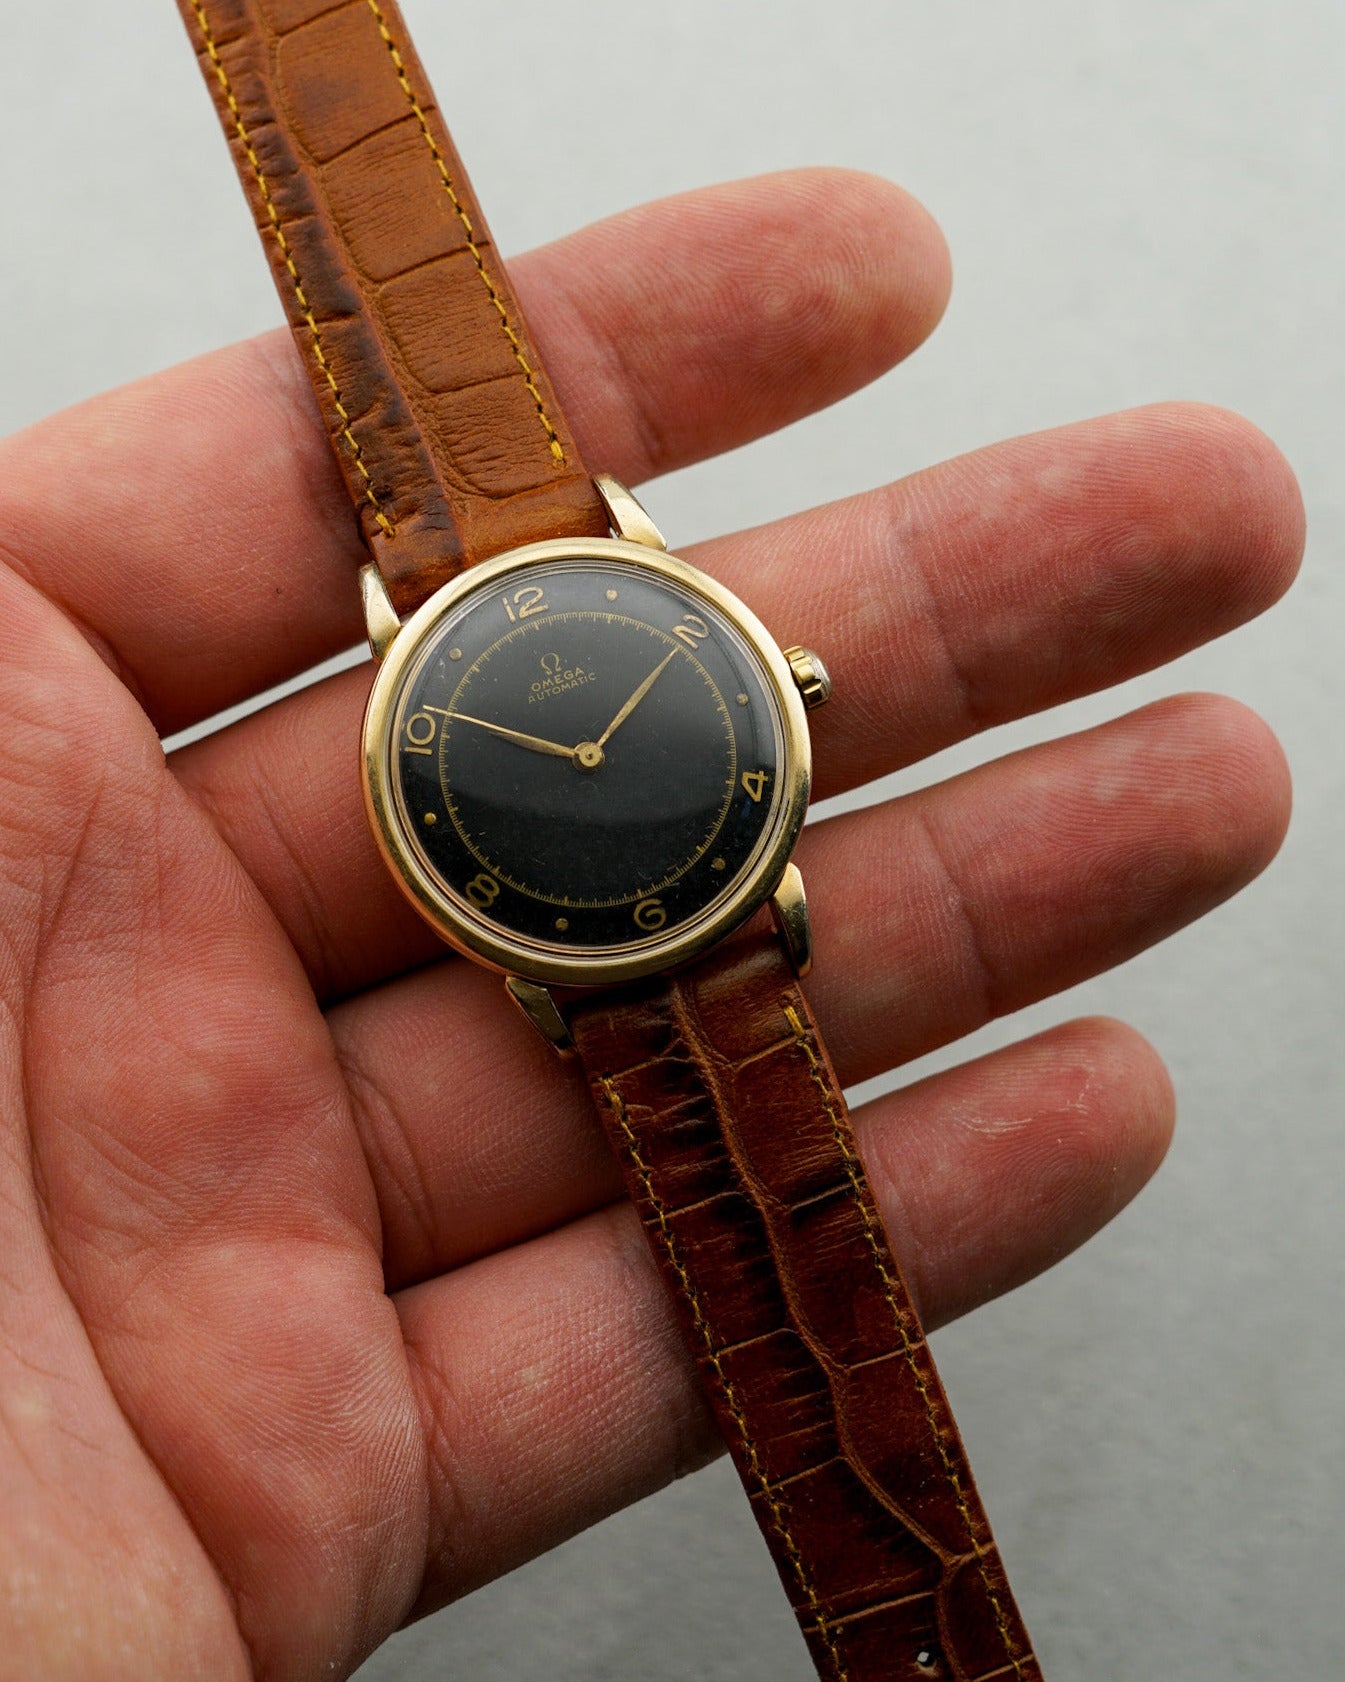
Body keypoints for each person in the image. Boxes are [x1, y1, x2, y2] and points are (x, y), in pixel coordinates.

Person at [0, 169, 1301, 1677]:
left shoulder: (640, 656)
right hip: (595, 951)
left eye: (608, 732)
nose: (594, 748)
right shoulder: (493, 738)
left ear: (778, 682)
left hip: (708, 910)